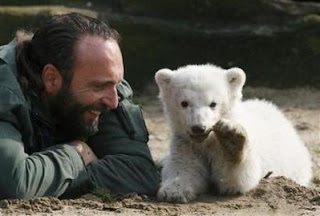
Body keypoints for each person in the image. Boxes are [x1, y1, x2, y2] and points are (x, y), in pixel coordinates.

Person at [0, 13, 159, 198]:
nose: (113, 101)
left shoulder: (104, 82)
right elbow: (14, 185)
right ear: (51, 79)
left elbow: (140, 172)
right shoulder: (5, 92)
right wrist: (76, 155)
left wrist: (48, 178)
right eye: (99, 86)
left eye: (116, 83)